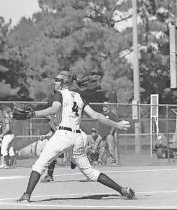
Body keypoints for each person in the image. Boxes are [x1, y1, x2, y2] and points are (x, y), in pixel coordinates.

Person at [17, 71, 134, 202]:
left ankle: (27, 195)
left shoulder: (60, 94)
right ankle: (122, 190)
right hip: (78, 137)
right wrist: (117, 124)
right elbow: (96, 115)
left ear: (64, 82)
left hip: (63, 135)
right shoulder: (79, 96)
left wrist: (34, 113)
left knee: (39, 165)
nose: (54, 83)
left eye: (57, 80)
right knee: (90, 172)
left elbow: (54, 109)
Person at [39, 115, 81, 183]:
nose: (48, 120)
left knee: (75, 158)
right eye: (47, 119)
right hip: (60, 140)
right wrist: (45, 136)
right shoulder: (52, 123)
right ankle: (50, 175)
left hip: (68, 139)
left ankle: (88, 172)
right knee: (50, 154)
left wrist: (52, 123)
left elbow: (59, 131)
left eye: (49, 118)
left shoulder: (62, 122)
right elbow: (53, 133)